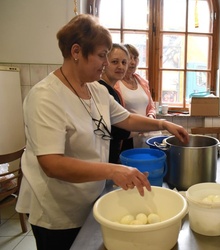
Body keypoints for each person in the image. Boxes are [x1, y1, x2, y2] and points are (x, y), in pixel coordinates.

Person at [15, 14, 189, 250]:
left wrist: (164, 124)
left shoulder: (96, 90)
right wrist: (113, 170)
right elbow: (52, 164)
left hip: (90, 198)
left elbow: (126, 119)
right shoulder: (46, 97)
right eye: (101, 55)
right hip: (56, 210)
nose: (106, 63)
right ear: (76, 52)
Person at [115, 44, 157, 150]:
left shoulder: (142, 82)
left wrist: (150, 118)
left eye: (135, 58)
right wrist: (138, 128)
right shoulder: (115, 84)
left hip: (146, 133)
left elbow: (151, 106)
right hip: (127, 136)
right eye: (129, 58)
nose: (133, 62)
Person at [98, 43, 132, 164]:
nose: (120, 67)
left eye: (124, 62)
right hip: (103, 158)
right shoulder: (101, 89)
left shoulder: (113, 91)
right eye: (115, 62)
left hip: (110, 157)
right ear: (104, 63)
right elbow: (119, 130)